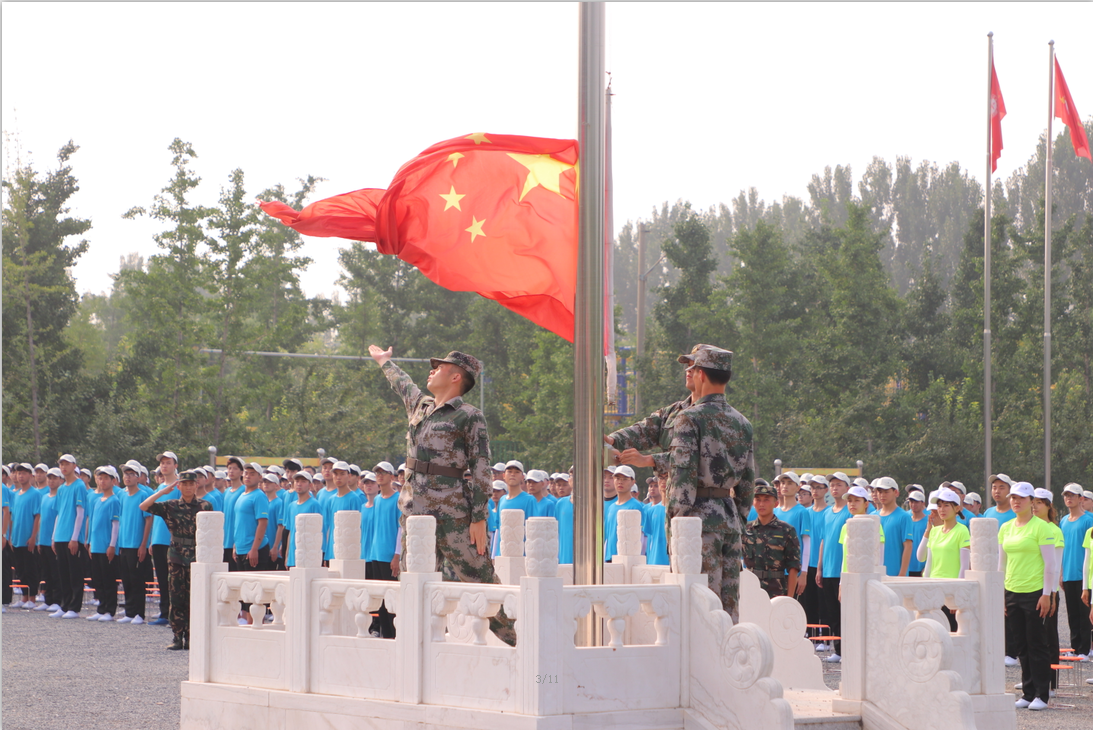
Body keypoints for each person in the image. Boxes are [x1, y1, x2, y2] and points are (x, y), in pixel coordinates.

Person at [369, 345, 513, 643]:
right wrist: (384, 362)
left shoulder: (469, 416)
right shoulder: (420, 406)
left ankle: (519, 639)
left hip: (453, 515)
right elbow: (402, 384)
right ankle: (417, 648)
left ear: (456, 376)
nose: (432, 370)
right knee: (414, 581)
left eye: (440, 367)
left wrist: (479, 518)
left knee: (479, 578)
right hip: (414, 512)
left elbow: (481, 468)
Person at [665, 346, 754, 623]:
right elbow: (747, 484)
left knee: (701, 609)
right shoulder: (742, 422)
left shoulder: (689, 418)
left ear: (701, 374)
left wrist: (675, 526)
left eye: (693, 369)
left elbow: (682, 480)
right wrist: (737, 519)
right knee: (729, 608)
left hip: (697, 524)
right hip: (729, 518)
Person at [998, 481, 1057, 711]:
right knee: (1021, 645)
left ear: (1031, 501)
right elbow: (1001, 564)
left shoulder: (1041, 527)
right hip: (1012, 591)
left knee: (1037, 644)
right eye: (1013, 497)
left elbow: (1050, 564)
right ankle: (1028, 692)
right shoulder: (1005, 528)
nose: (1016, 501)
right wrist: (1001, 593)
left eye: (1021, 498)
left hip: (1034, 593)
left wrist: (1046, 594)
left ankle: (1042, 694)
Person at [141, 469, 212, 650]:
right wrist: (163, 491)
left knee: (194, 597)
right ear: (179, 486)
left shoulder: (205, 506)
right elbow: (144, 506)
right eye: (184, 484)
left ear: (196, 485)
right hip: (177, 555)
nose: (188, 487)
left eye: (191, 484)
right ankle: (177, 636)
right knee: (176, 597)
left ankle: (192, 637)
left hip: (197, 555)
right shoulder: (171, 505)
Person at [916, 487, 970, 630]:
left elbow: (964, 566)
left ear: (957, 508)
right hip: (934, 590)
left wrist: (957, 595)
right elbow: (927, 562)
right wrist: (925, 588)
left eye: (946, 505)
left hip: (950, 592)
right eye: (939, 505)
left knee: (951, 632)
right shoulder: (934, 531)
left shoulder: (962, 531)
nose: (942, 509)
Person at [816, 472, 853, 662]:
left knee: (845, 613)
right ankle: (838, 650)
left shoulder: (850, 512)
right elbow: (823, 541)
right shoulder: (827, 513)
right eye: (832, 485)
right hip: (828, 570)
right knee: (832, 613)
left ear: (847, 488)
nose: (835, 488)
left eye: (839, 485)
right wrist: (819, 568)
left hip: (843, 570)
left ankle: (849, 650)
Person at [743, 482, 801, 598]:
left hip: (776, 589)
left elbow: (793, 567)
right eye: (758, 500)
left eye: (766, 500)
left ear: (776, 503)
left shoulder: (786, 530)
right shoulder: (746, 529)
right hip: (750, 588)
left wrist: (789, 599)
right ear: (753, 503)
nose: (761, 504)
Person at [365, 463, 401, 638]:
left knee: (391, 599)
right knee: (380, 599)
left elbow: (401, 529)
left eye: (383, 473)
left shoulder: (398, 499)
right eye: (377, 472)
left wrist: (397, 555)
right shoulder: (377, 499)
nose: (379, 475)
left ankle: (394, 635)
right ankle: (385, 634)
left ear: (391, 477)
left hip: (389, 556)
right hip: (376, 554)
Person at [50, 454, 88, 619]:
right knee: (63, 573)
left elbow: (80, 513)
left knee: (75, 573)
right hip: (60, 536)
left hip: (72, 537)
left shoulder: (79, 486)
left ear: (74, 466)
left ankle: (74, 607)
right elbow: (58, 514)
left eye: (67, 464)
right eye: (61, 464)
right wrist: (54, 537)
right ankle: (64, 605)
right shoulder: (61, 488)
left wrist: (74, 538)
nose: (64, 467)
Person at [1059, 483, 1092, 659]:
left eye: (1072, 495)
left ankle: (1085, 650)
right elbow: (1062, 548)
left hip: (1084, 574)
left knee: (1084, 613)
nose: (1069, 498)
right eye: (1066, 495)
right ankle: (1075, 648)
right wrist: (1061, 572)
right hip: (1069, 573)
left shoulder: (1088, 520)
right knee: (1072, 613)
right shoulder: (1063, 521)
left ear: (1081, 498)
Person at [117, 462, 153, 623]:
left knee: (137, 579)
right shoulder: (122, 495)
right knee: (126, 579)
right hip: (124, 544)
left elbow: (148, 519)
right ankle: (129, 612)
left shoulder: (143, 495)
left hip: (136, 544)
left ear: (138, 477)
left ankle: (139, 613)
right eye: (126, 474)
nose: (128, 477)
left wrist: (143, 544)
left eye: (131, 474)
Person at [86, 467, 122, 621]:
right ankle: (101, 607)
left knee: (108, 579)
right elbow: (92, 523)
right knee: (98, 579)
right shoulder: (96, 500)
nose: (103, 481)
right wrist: (89, 542)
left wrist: (112, 545)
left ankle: (109, 609)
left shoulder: (114, 500)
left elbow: (115, 524)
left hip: (107, 545)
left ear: (113, 481)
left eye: (106, 478)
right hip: (96, 545)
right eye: (100, 478)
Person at [148, 452, 180, 624]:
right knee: (161, 577)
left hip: (172, 539)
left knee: (173, 579)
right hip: (158, 539)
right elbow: (154, 515)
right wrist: (152, 540)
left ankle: (175, 614)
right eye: (162, 463)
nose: (164, 466)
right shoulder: (160, 488)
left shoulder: (179, 487)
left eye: (168, 462)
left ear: (175, 466)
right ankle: (164, 612)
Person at [773, 472, 810, 597]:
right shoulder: (774, 512)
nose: (785, 486)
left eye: (789, 483)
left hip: (792, 571)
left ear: (798, 487)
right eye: (783, 483)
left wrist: (803, 572)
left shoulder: (802, 512)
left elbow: (806, 542)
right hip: (774, 571)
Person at [492, 461, 536, 558]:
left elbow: (532, 530)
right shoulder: (502, 500)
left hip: (522, 555)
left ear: (522, 477)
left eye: (517, 472)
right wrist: (494, 555)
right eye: (509, 471)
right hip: (503, 554)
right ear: (504, 475)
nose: (513, 474)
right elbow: (499, 529)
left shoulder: (530, 500)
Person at [604, 465, 644, 562]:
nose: (620, 482)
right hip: (610, 558)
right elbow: (608, 536)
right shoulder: (611, 507)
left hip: (627, 559)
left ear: (633, 482)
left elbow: (641, 536)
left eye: (625, 479)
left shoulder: (636, 507)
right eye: (617, 478)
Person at [874, 477, 913, 577]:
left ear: (896, 493)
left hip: (895, 574)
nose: (882, 495)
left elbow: (908, 546)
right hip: (875, 575)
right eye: (880, 492)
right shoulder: (873, 517)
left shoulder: (904, 517)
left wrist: (902, 574)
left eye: (886, 492)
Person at [283, 472, 323, 568]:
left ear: (310, 485)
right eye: (297, 481)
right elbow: (290, 531)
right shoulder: (291, 506)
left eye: (303, 481)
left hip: (308, 556)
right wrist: (287, 555)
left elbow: (318, 532)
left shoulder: (314, 504)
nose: (299, 484)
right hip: (293, 555)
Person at [643, 474, 669, 566]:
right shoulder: (651, 510)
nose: (663, 481)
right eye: (661, 478)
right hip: (655, 560)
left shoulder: (680, 510)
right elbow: (648, 539)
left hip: (673, 561)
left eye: (667, 478)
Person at [906, 491, 929, 576]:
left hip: (921, 567)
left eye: (916, 502)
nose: (913, 504)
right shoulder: (906, 520)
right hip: (907, 566)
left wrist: (926, 566)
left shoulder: (928, 522)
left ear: (923, 503)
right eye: (911, 502)